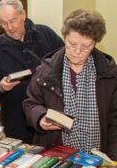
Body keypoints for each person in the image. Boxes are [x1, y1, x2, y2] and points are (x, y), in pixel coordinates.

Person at [23, 9, 117, 160]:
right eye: (72, 44)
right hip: (55, 154)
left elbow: (115, 121)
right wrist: (40, 118)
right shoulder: (45, 71)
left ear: (95, 43)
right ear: (64, 37)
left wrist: (113, 159)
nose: (78, 51)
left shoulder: (109, 75)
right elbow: (30, 104)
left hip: (98, 157)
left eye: (86, 46)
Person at [0, 0, 64, 143]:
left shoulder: (45, 34)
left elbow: (65, 61)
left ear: (23, 15)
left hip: (50, 115)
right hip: (16, 119)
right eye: (4, 23)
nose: (10, 27)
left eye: (13, 21)